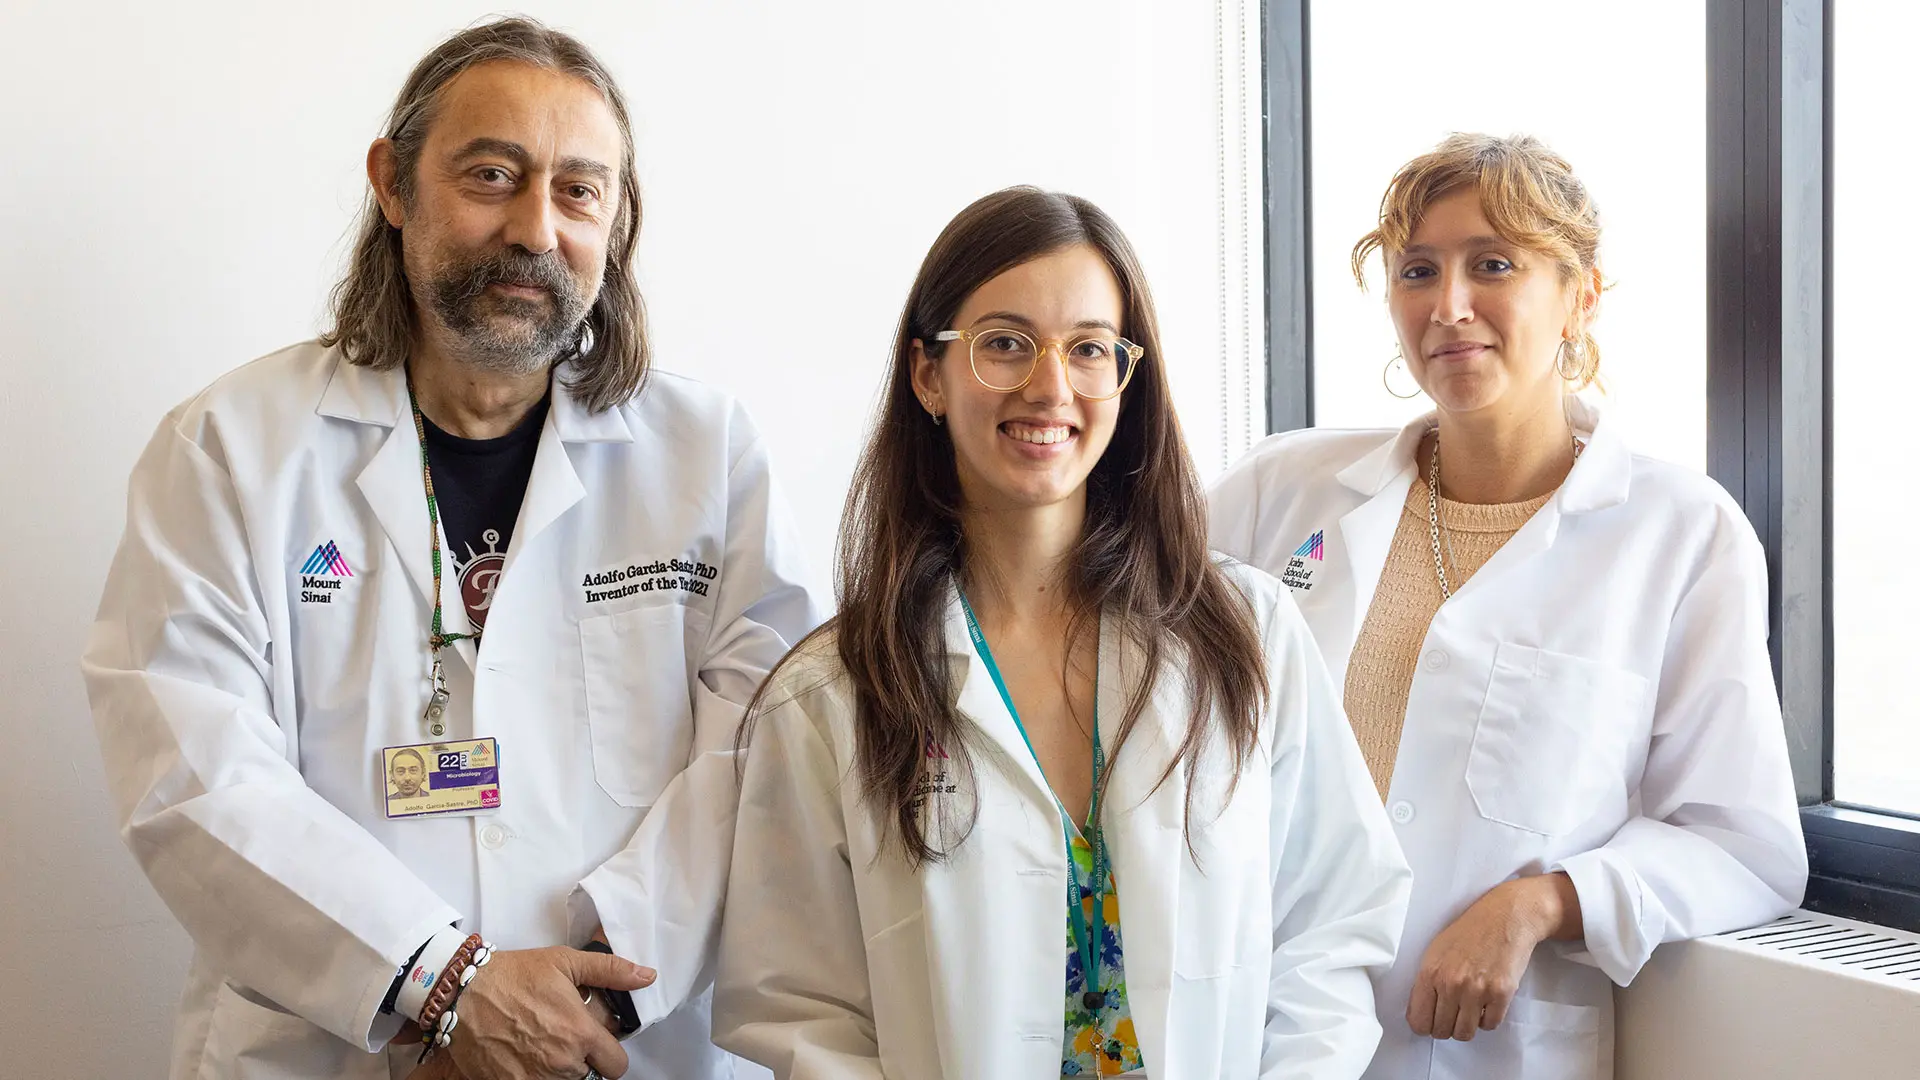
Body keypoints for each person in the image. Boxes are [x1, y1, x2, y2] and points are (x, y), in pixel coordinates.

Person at [81, 17, 820, 1080]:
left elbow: (766, 752)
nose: (534, 228)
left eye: (578, 190)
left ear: (616, 220)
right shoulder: (232, 451)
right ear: (393, 184)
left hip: (621, 1046)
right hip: (338, 1048)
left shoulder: (706, 457)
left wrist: (585, 1003)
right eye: (491, 174)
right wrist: (440, 987)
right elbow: (193, 774)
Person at [712, 187, 1411, 1079]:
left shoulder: (1246, 633)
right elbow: (800, 1008)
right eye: (1004, 344)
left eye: (1089, 349)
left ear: (1127, 376)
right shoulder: (831, 693)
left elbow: (1332, 922)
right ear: (928, 374)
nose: (1050, 387)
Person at [1209, 134, 1807, 1079]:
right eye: (1418, 270)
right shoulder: (1278, 492)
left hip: (1476, 1051)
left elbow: (1745, 845)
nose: (1449, 307)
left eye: (1493, 264)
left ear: (1581, 295)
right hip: (1251, 1030)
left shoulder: (1682, 535)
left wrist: (1541, 904)